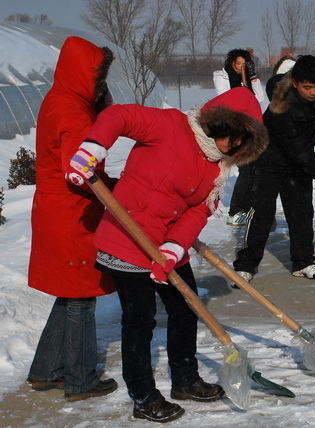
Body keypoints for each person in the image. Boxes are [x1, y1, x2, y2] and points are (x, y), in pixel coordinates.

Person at [65, 87, 268, 422]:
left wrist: (174, 247)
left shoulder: (218, 168)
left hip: (166, 245)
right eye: (233, 136)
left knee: (186, 310)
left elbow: (198, 211)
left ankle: (185, 380)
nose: (235, 147)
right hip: (127, 239)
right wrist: (93, 147)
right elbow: (119, 116)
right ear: (217, 124)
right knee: (140, 320)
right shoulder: (170, 125)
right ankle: (143, 396)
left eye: (243, 142)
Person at [26, 36, 118, 403]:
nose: (101, 86)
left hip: (55, 209)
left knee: (69, 293)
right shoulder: (73, 113)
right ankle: (81, 380)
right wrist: (115, 191)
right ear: (85, 74)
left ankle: (45, 370)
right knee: (81, 295)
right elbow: (81, 171)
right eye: (99, 78)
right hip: (71, 214)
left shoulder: (59, 98)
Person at [232, 55, 315, 284]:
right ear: (295, 83)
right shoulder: (281, 104)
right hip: (270, 159)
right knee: (263, 213)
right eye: (307, 87)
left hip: (299, 160)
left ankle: (303, 262)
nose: (313, 92)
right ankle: (245, 265)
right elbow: (298, 151)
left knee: (302, 212)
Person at [213, 49, 266, 226]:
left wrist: (253, 79)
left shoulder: (249, 78)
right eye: (238, 63)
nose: (240, 67)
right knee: (246, 169)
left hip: (251, 126)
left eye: (244, 64)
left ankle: (248, 207)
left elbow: (259, 98)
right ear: (231, 62)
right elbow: (226, 99)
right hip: (233, 127)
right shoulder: (222, 76)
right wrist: (243, 90)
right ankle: (235, 212)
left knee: (254, 169)